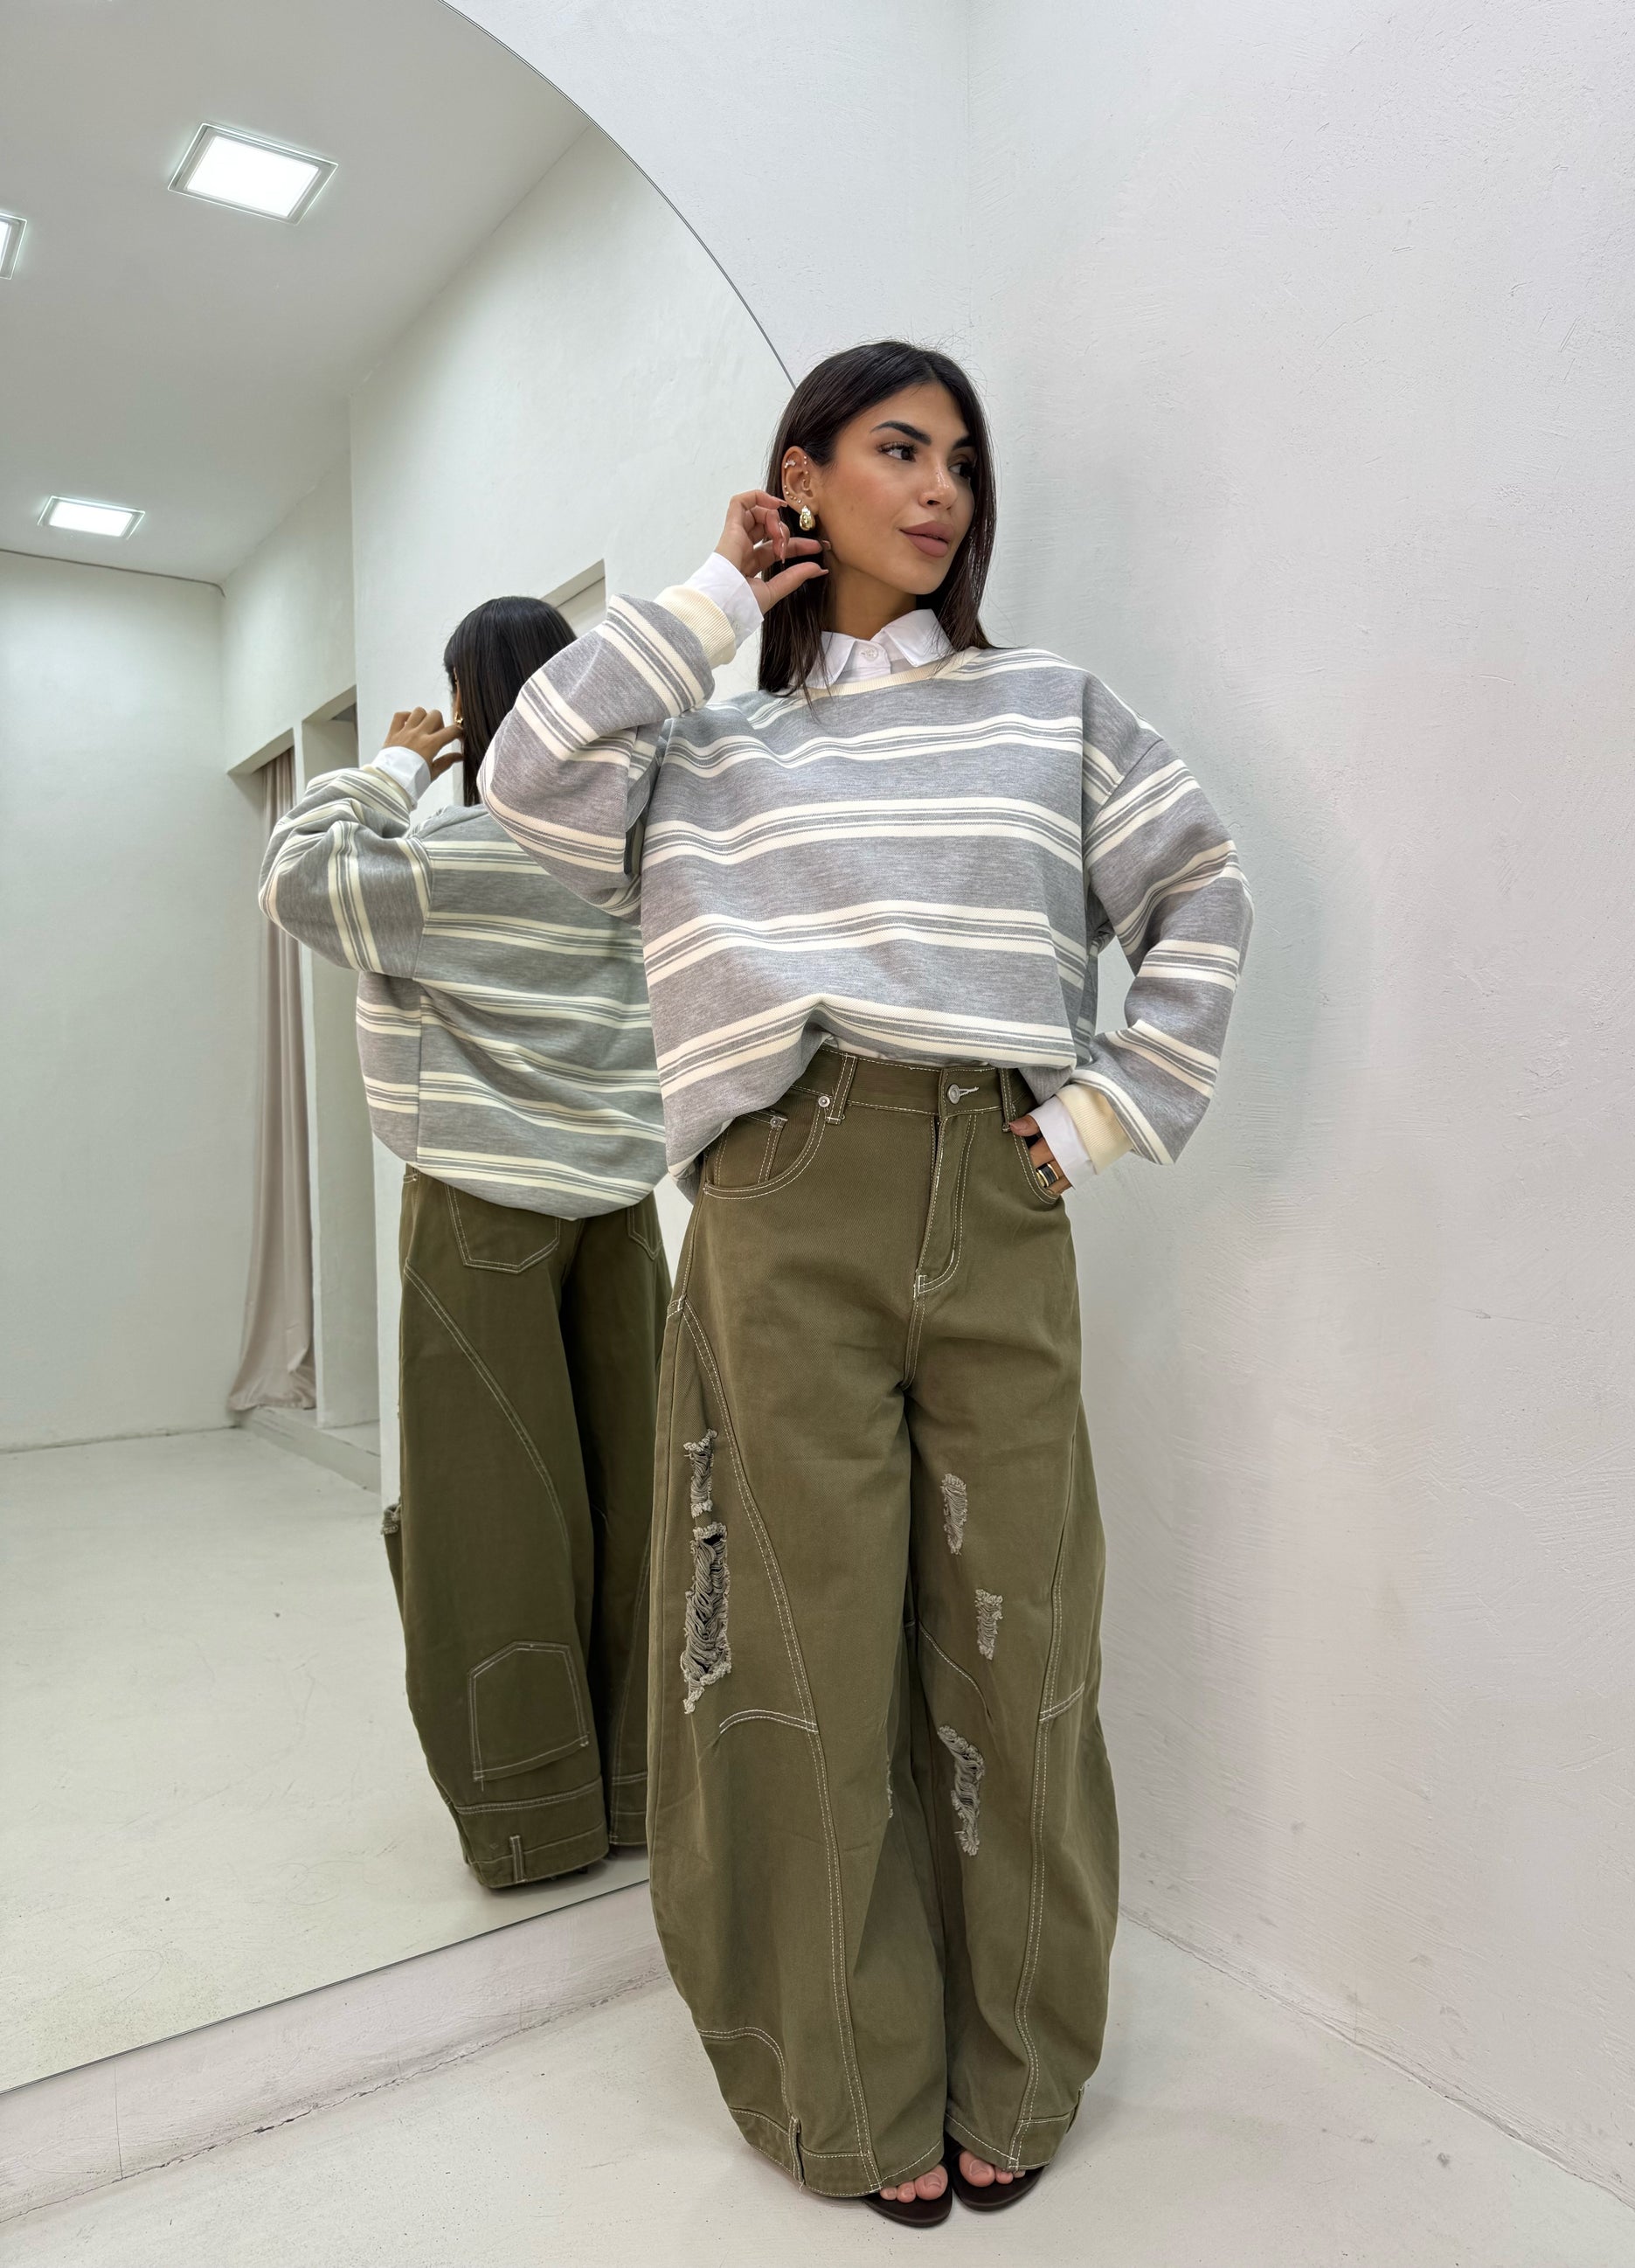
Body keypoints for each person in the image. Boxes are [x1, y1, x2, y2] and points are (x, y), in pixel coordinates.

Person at [482, 342, 1254, 2221]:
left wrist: (1101, 1116)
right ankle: (848, 2080)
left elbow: (1202, 886)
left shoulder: (1046, 706)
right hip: (780, 1193)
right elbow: (523, 775)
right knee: (800, 1659)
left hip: (995, 1179)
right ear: (799, 475)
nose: (939, 492)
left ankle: (1021, 2061)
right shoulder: (702, 746)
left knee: (1022, 1645)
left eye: (963, 464)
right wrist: (708, 596)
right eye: (898, 449)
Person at [260, 596, 669, 1890]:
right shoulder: (635, 860)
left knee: (489, 1516)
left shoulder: (446, 859)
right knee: (639, 1497)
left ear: (471, 706)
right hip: (622, 1210)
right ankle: (645, 1789)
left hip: (480, 1211)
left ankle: (531, 1818)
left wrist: (392, 765)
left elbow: (297, 877)